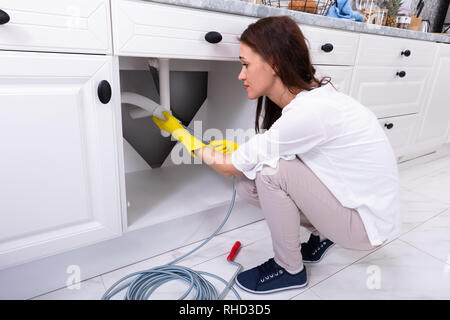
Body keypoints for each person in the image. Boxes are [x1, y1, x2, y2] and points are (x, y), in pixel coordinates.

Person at [152, 16, 401, 295]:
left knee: (270, 172)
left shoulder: (308, 113)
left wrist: (178, 132)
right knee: (248, 184)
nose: (241, 75)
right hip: (355, 207)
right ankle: (321, 236)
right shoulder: (314, 99)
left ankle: (289, 269)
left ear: (274, 64)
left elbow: (225, 167)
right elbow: (296, 154)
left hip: (365, 227)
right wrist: (240, 151)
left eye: (245, 64)